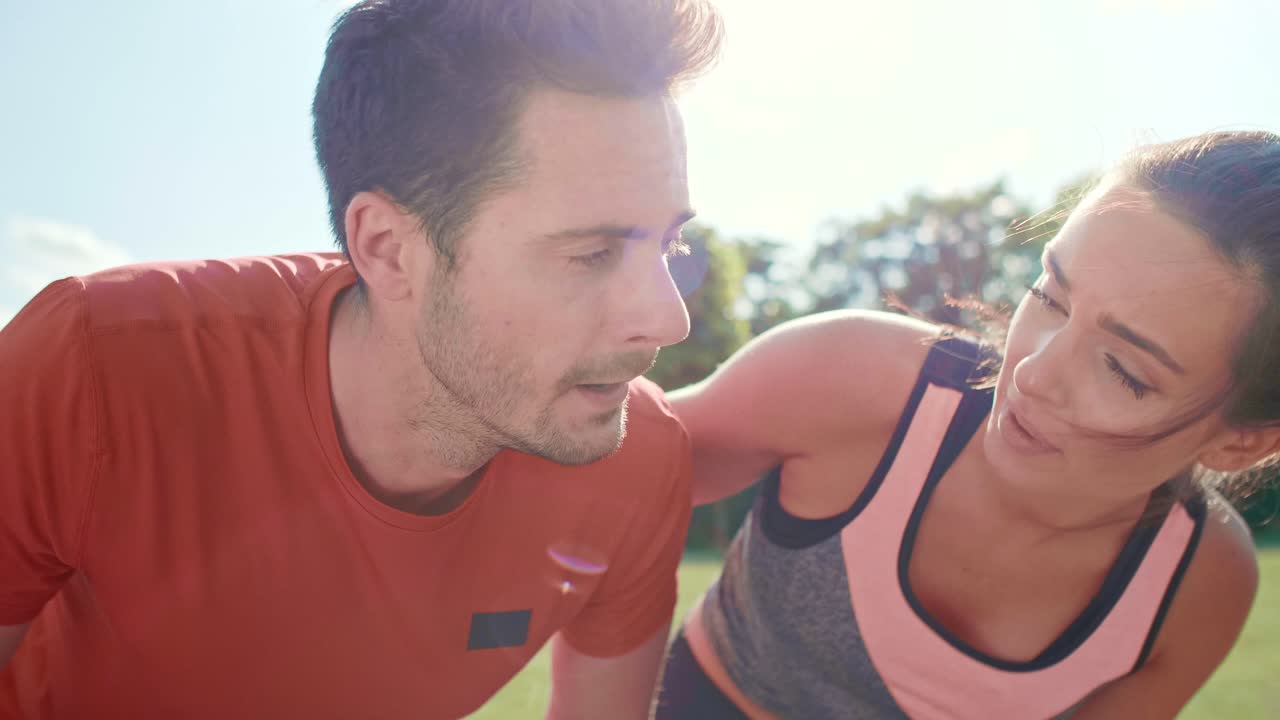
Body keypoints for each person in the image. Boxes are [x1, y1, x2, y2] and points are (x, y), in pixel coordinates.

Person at [0, 1, 723, 717]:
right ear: (387, 249)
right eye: (591, 254)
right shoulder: (96, 369)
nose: (669, 319)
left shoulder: (636, 457)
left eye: (670, 244)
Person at [657, 130, 1279, 719]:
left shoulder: (1199, 583)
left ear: (1242, 442)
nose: (1033, 373)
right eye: (1050, 296)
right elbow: (617, 468)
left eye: (1123, 369)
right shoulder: (855, 376)